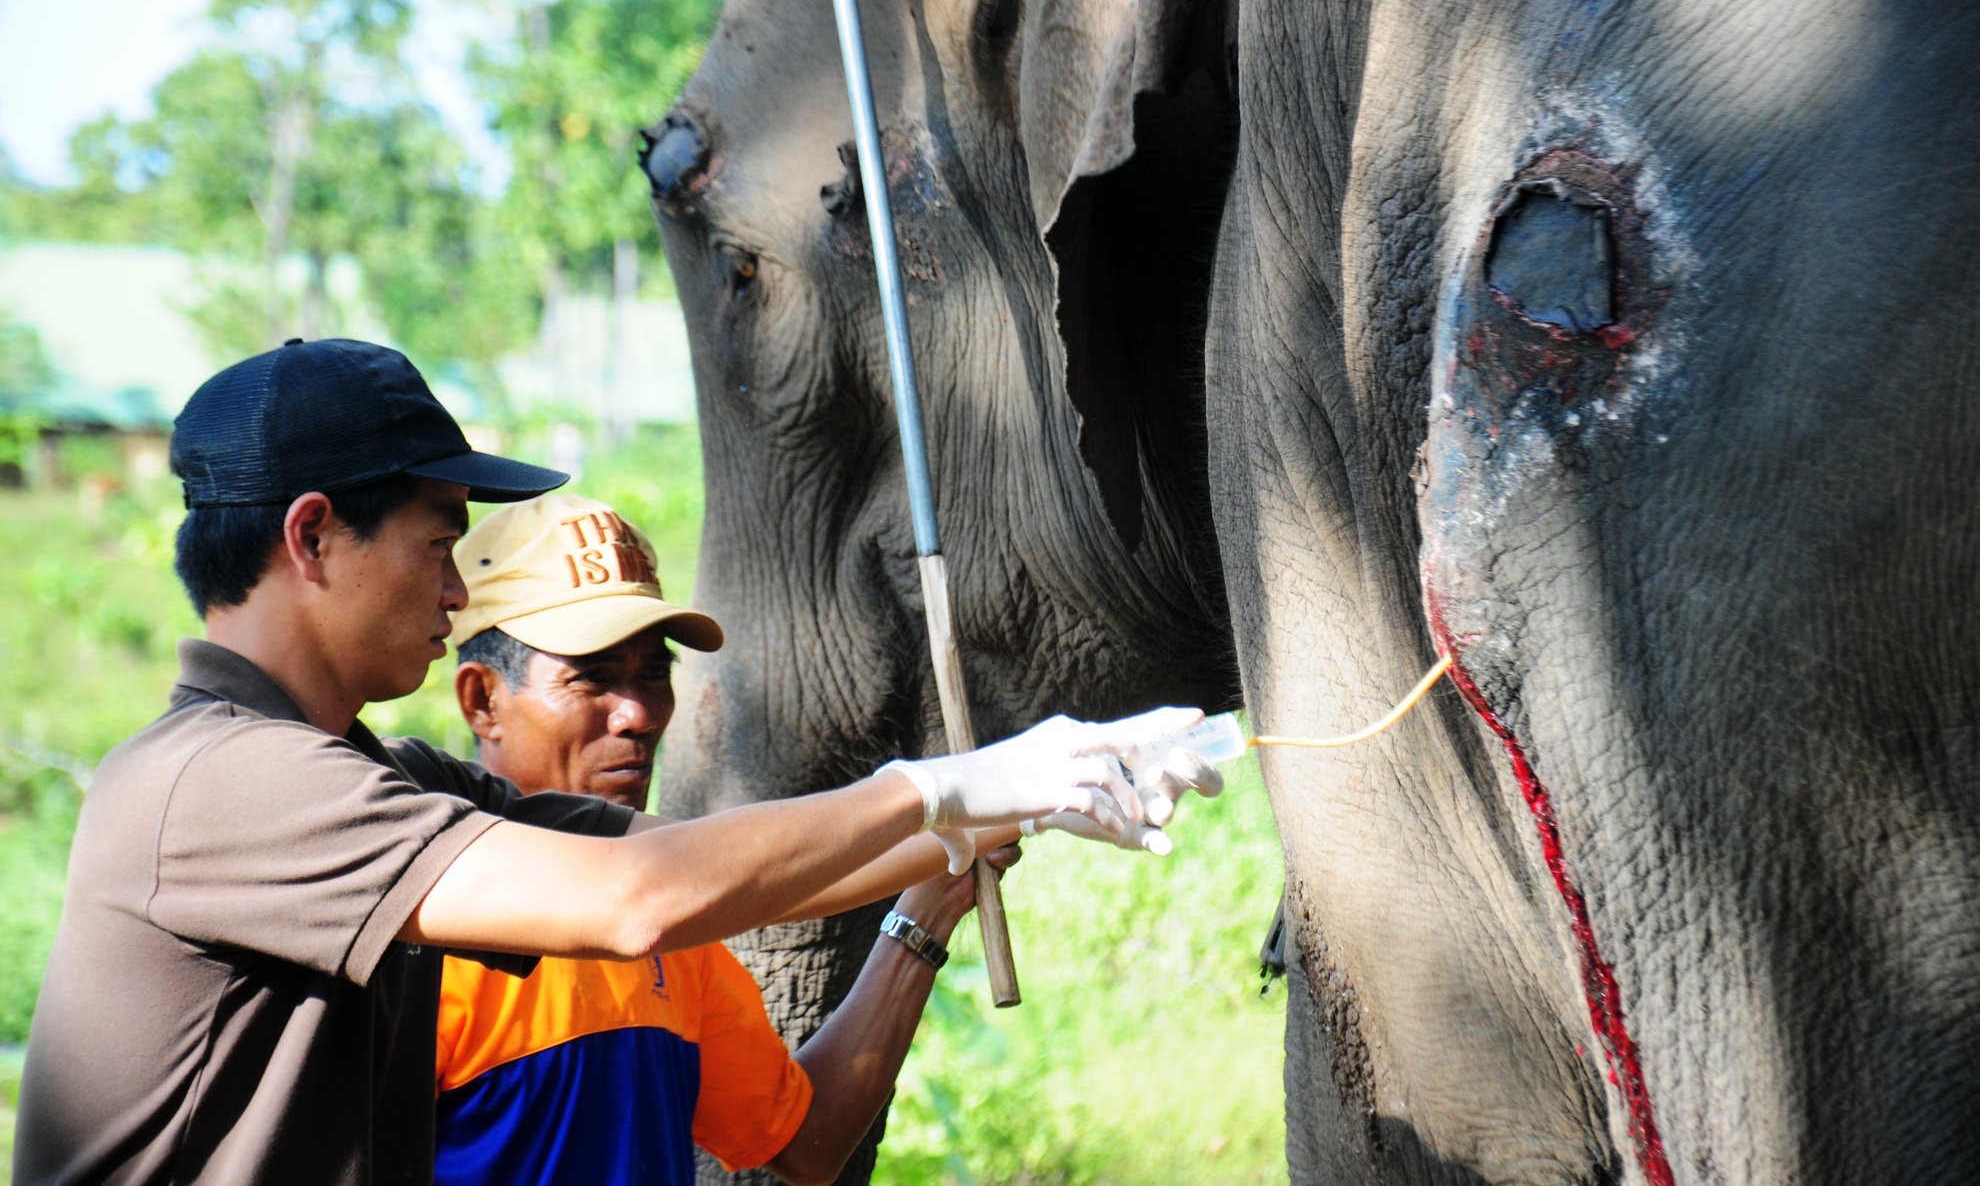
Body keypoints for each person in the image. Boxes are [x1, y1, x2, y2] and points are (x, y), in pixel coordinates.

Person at [11, 339, 1218, 1186]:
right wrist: (946, 786)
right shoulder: (217, 780)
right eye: (438, 545)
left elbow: (669, 867)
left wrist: (1027, 800)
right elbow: (632, 905)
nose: (451, 589)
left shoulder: (394, 784)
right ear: (313, 535)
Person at [435, 493, 1009, 1185]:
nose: (639, 714)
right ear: (481, 700)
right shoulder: (425, 911)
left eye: (654, 672)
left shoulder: (674, 927)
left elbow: (806, 1141)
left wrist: (930, 905)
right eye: (592, 678)